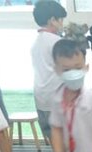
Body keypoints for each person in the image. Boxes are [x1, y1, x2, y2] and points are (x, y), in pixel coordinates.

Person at [30, 0, 66, 144]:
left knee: (56, 145)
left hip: (41, 99)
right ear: (53, 20)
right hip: (58, 100)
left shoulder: (36, 43)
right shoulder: (57, 42)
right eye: (61, 19)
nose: (62, 23)